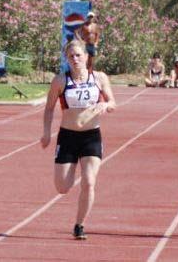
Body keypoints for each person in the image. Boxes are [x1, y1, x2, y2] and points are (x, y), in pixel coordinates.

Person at [41, 39, 116, 240]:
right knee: (63, 188)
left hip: (91, 136)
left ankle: (80, 225)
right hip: (67, 136)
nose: (75, 59)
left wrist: (105, 105)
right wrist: (47, 132)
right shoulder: (60, 81)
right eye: (71, 56)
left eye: (78, 55)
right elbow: (49, 108)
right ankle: (70, 168)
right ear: (67, 59)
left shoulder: (99, 78)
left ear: (86, 56)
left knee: (89, 182)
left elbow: (112, 101)